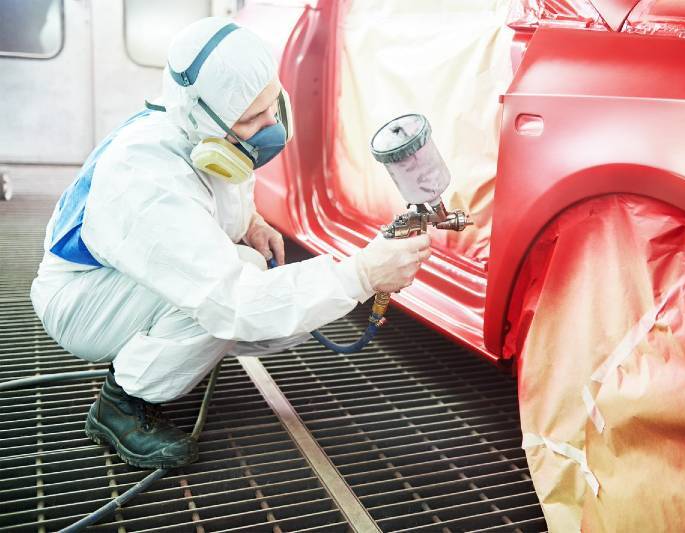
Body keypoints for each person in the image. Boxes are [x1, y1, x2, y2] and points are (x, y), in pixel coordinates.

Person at [29, 17, 431, 470]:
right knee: (234, 290)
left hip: (121, 278)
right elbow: (232, 300)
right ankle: (120, 405)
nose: (270, 127)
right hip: (83, 301)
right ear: (204, 119)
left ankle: (158, 357)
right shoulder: (144, 177)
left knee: (251, 278)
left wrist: (252, 219)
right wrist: (361, 275)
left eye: (271, 106)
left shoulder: (203, 132)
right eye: (251, 120)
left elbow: (223, 186)